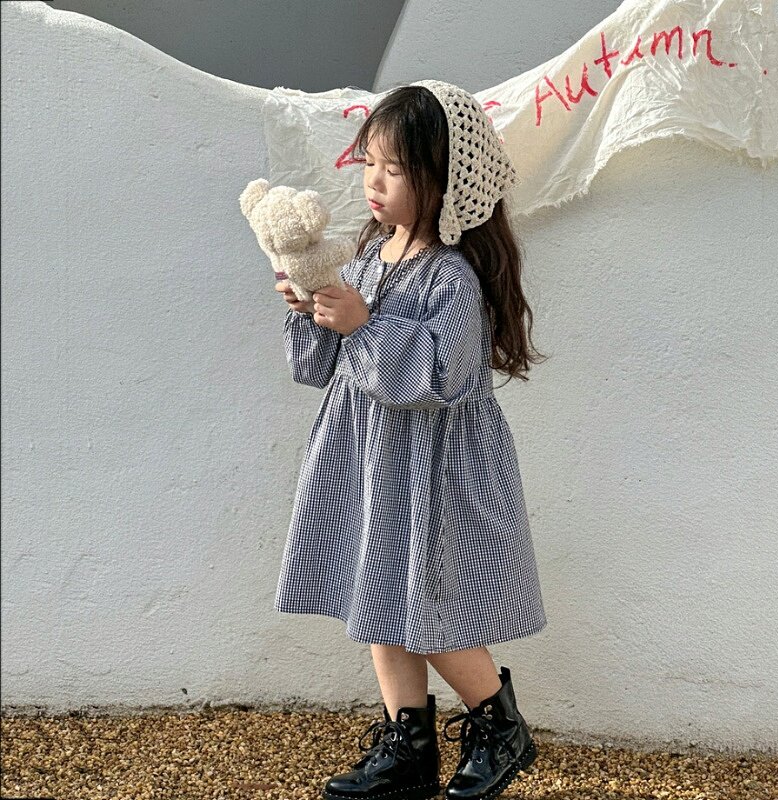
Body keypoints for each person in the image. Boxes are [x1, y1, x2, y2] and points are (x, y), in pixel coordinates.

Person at [274, 79, 549, 800]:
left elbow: (435, 377)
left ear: (444, 180)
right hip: (369, 464)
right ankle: (408, 747)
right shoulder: (367, 259)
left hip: (432, 472)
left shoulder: (451, 277)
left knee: (429, 606)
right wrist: (310, 310)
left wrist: (365, 323)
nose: (373, 182)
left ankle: (500, 725)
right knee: (379, 601)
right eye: (369, 163)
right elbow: (320, 368)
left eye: (393, 169)